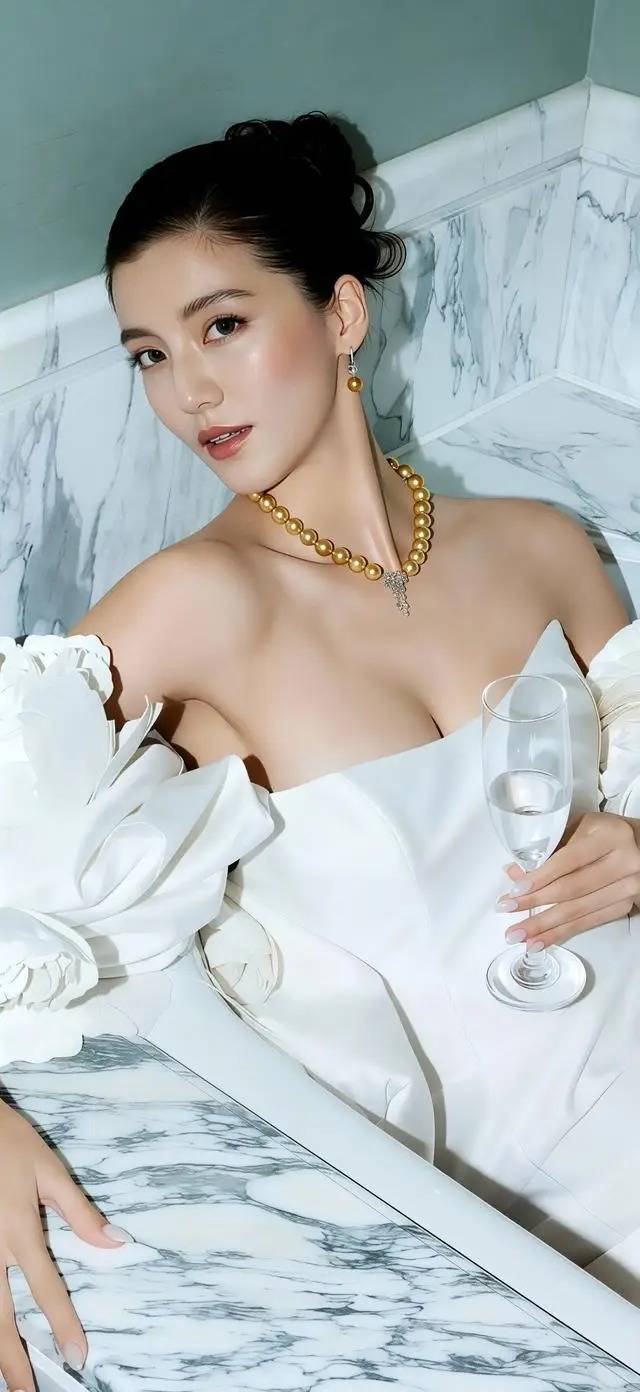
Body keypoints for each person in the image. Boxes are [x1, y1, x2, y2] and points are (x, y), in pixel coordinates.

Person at [2, 110, 640, 1389]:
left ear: (341, 315)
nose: (187, 393)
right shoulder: (195, 606)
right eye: (149, 355)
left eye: (222, 326)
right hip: (478, 1200)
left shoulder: (540, 544)